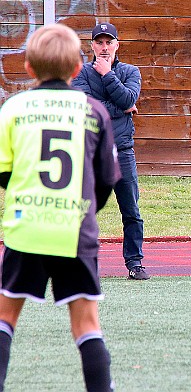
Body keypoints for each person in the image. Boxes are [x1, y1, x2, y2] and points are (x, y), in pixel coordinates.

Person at [0, 23, 119, 391]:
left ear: (29, 68)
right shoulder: (94, 110)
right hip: (74, 230)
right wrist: (80, 209)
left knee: (5, 318)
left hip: (26, 226)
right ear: (75, 70)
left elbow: (4, 173)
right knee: (86, 325)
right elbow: (107, 180)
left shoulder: (14, 107)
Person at [72, 22, 150, 280]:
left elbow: (129, 99)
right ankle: (82, 261)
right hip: (90, 151)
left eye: (109, 42)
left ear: (117, 44)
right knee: (85, 209)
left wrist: (107, 74)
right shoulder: (80, 73)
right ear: (92, 45)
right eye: (99, 42)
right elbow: (87, 107)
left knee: (131, 210)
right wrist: (123, 108)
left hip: (123, 150)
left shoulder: (130, 71)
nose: (104, 48)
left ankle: (135, 262)